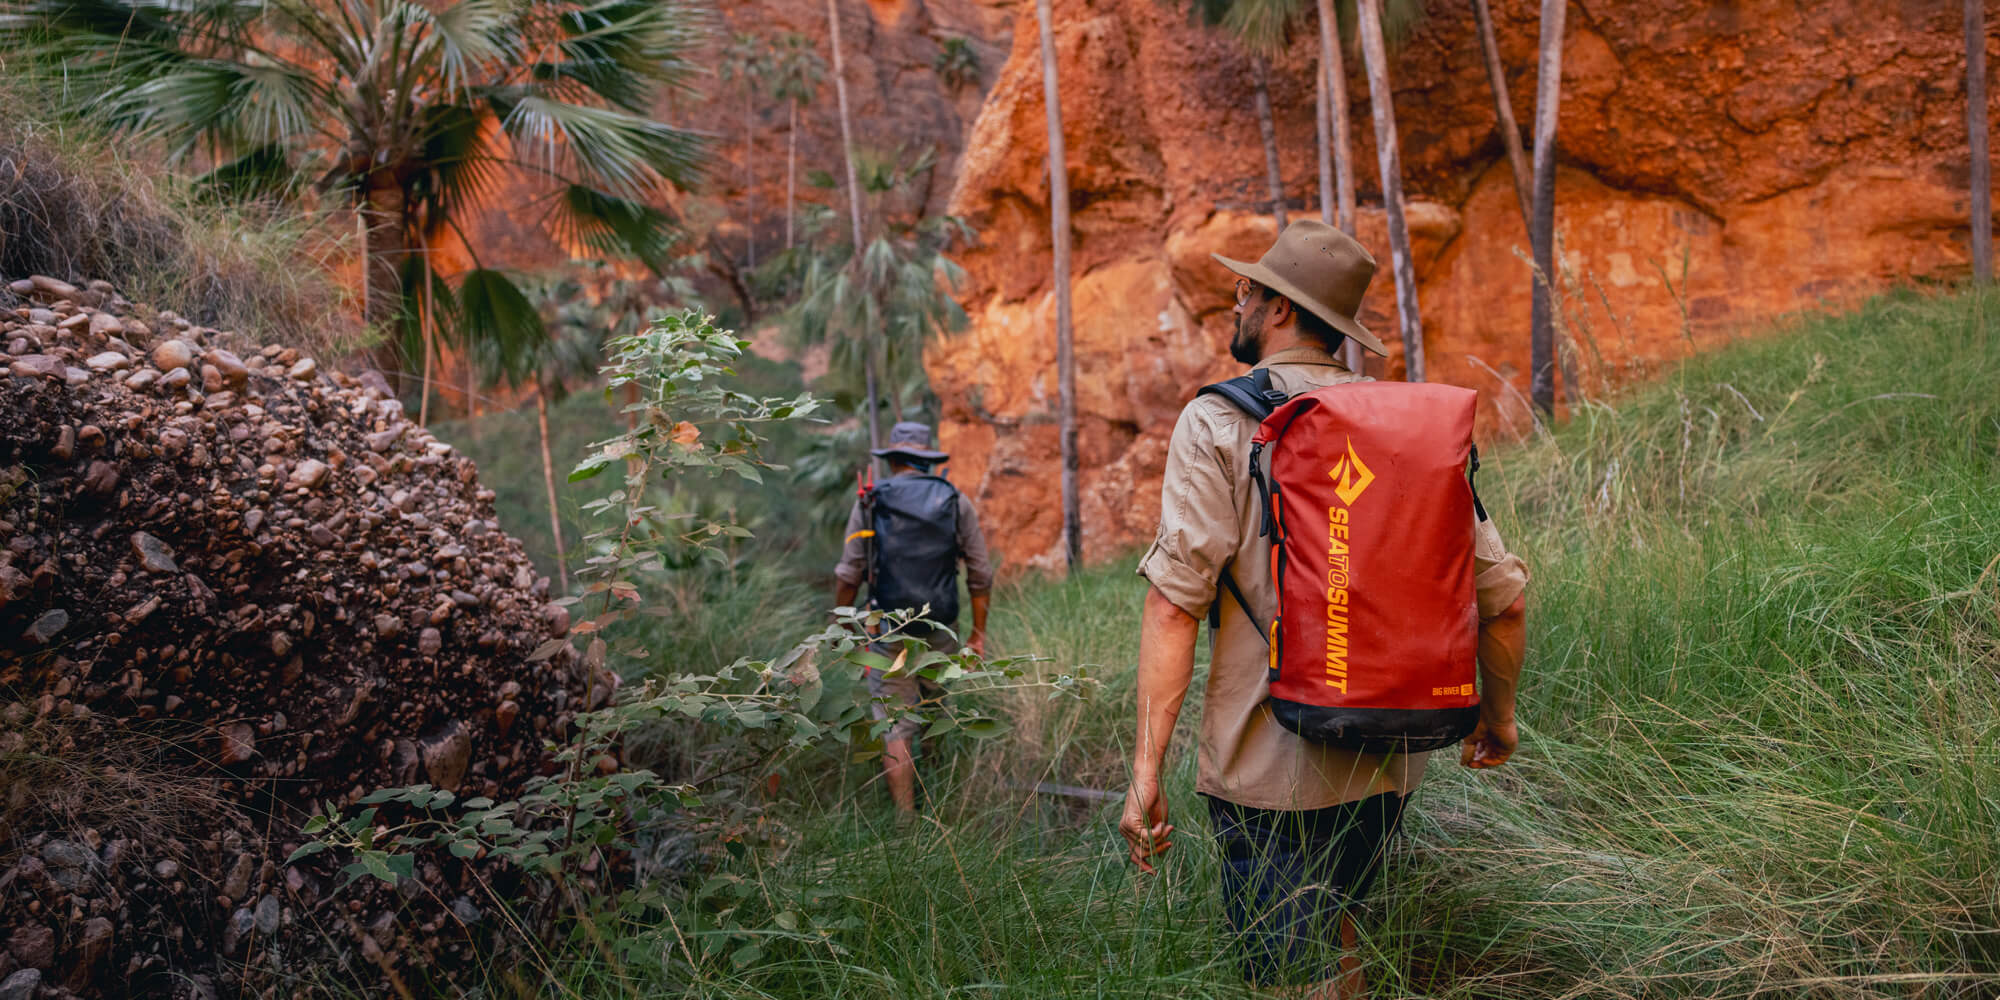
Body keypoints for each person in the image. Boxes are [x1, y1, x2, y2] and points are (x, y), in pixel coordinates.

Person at [1117, 220, 1531, 996]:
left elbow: (1174, 606)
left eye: (1246, 289)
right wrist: (1499, 717)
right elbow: (1502, 601)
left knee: (1284, 979)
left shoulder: (1220, 421)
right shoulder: (1407, 429)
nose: (1236, 301)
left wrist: (1146, 771)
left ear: (1277, 308)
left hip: (1264, 761)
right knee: (1344, 938)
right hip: (1387, 752)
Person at [834, 421, 994, 813]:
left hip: (888, 631)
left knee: (895, 725)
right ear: (927, 460)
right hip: (942, 627)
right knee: (937, 711)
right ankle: (939, 795)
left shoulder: (870, 500)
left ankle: (906, 824)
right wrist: (978, 634)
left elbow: (849, 573)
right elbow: (980, 573)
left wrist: (842, 626)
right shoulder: (955, 500)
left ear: (893, 460)